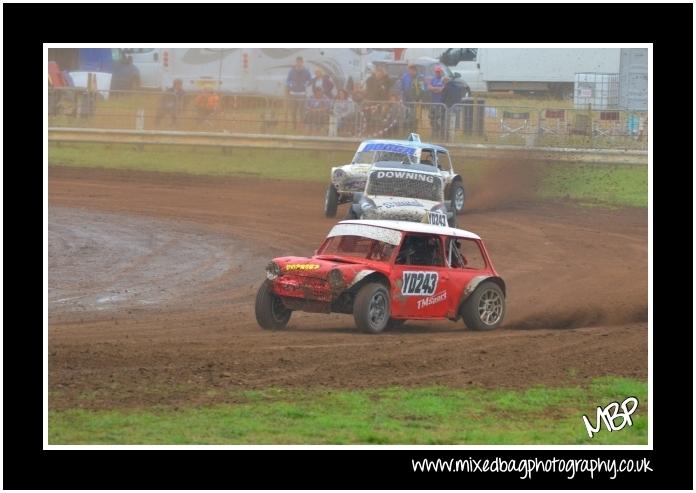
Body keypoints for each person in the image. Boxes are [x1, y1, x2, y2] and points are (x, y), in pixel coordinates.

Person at [286, 56, 312, 129]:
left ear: (302, 62)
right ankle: (294, 126)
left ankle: (301, 126)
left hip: (302, 94)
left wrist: (306, 84)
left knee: (302, 111)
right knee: (293, 111)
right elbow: (288, 80)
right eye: (297, 61)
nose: (298, 63)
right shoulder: (291, 71)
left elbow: (310, 80)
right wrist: (290, 84)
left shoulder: (307, 71)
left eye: (300, 61)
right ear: (296, 62)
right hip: (293, 94)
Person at [400, 64, 425, 133]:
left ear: (415, 71)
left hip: (415, 100)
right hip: (406, 99)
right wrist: (401, 97)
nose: (410, 72)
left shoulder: (419, 77)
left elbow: (422, 89)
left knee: (414, 116)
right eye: (409, 70)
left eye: (412, 71)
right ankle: (405, 131)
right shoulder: (404, 77)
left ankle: (413, 131)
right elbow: (402, 88)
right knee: (405, 115)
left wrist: (419, 99)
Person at [427, 66, 446, 140]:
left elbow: (442, 89)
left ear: (441, 72)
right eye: (436, 72)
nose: (437, 73)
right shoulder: (433, 79)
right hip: (433, 102)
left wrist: (434, 89)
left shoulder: (443, 79)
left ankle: (439, 133)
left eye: (439, 72)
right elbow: (429, 87)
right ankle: (435, 131)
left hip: (440, 103)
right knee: (432, 118)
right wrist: (436, 89)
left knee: (439, 118)